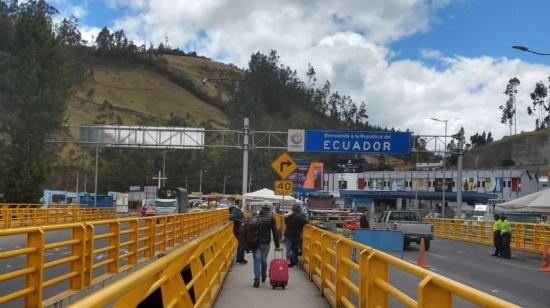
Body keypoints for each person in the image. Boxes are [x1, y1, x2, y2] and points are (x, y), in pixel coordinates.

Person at [252, 202, 280, 288]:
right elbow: (275, 232)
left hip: (256, 242)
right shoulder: (272, 218)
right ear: (270, 208)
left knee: (257, 260)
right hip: (266, 242)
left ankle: (257, 279)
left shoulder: (256, 217)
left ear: (262, 208)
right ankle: (263, 276)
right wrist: (277, 245)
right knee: (263, 260)